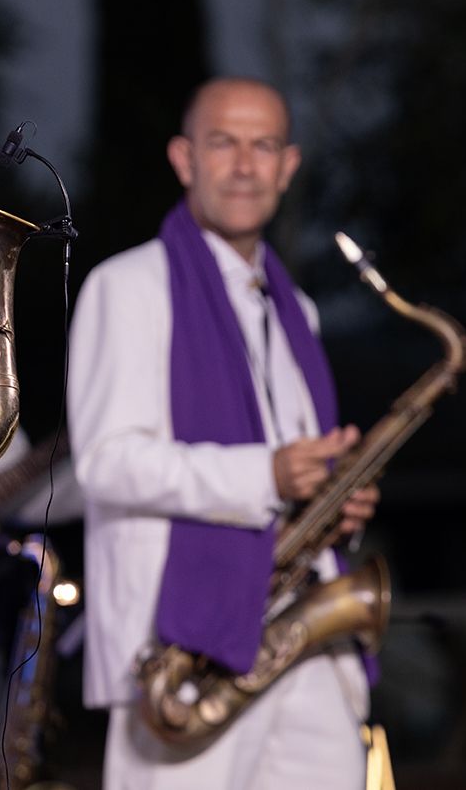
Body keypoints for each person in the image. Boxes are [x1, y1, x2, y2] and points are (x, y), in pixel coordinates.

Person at [67, 77, 381, 789]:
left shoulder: (295, 304)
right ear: (184, 158)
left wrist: (336, 500)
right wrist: (266, 477)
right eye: (223, 142)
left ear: (288, 165)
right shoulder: (127, 286)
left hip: (300, 635)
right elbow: (105, 465)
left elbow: (295, 459)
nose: (245, 165)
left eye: (263, 145)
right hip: (181, 649)